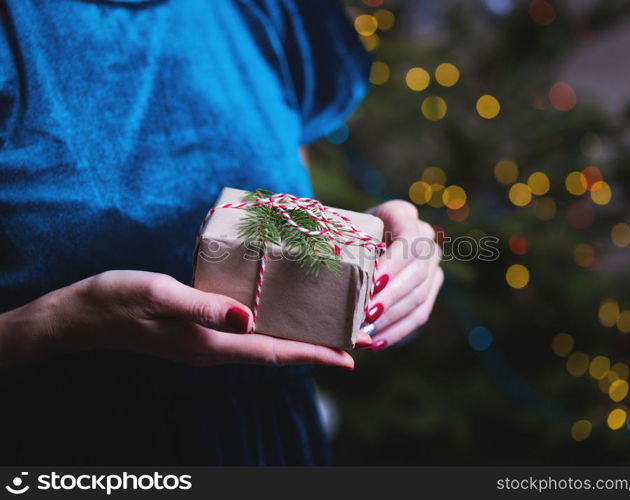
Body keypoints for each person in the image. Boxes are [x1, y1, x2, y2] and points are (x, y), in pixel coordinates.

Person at [0, 0, 443, 465]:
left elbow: (286, 214)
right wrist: (54, 325)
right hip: (67, 448)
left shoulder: (269, 10)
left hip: (270, 445)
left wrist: (378, 256)